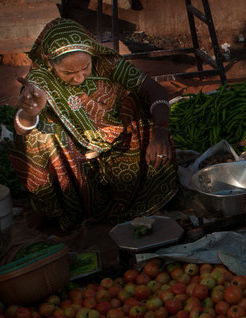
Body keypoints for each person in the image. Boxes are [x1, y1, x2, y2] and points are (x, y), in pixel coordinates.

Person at [11, 18, 178, 231]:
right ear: (49, 62)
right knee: (38, 136)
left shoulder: (106, 62)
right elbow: (20, 129)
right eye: (68, 73)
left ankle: (151, 196)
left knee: (141, 104)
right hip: (74, 157)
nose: (79, 78)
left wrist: (161, 132)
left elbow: (153, 89)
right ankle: (61, 215)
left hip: (119, 142)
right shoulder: (39, 83)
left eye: (85, 68)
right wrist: (28, 114)